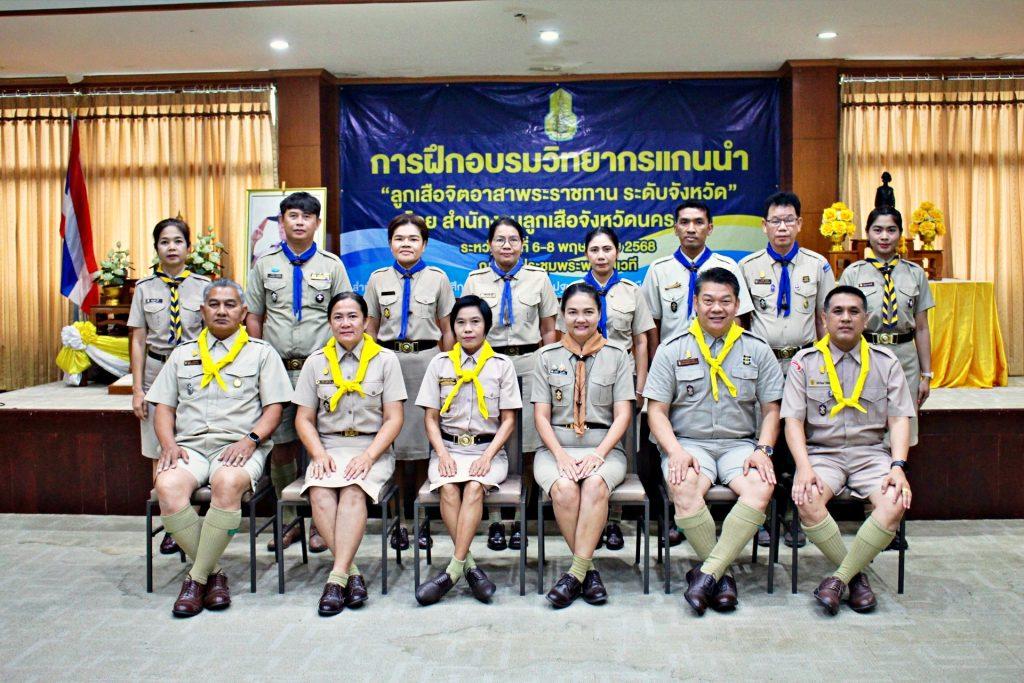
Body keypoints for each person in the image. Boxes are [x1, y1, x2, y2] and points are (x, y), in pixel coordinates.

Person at [148, 279, 292, 617]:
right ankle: (213, 575)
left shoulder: (261, 353)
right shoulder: (183, 354)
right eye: (214, 304)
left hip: (239, 446)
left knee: (227, 483)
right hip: (190, 447)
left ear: (243, 312)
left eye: (230, 305)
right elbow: (164, 407)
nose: (222, 311)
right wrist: (168, 444)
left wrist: (251, 440)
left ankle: (195, 579)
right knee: (166, 486)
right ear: (202, 311)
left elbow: (274, 408)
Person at [643, 268, 784, 615]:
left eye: (725, 301)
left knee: (762, 486)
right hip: (689, 444)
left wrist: (764, 450)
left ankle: (707, 574)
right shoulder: (672, 349)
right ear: (695, 303)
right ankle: (722, 577)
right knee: (683, 486)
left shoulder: (757, 349)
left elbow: (772, 409)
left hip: (741, 445)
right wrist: (675, 451)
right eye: (708, 300)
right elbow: (656, 411)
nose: (716, 308)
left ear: (737, 305)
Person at [782, 285, 915, 615]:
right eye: (837, 311)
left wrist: (898, 466)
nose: (845, 318)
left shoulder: (886, 362)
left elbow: (899, 419)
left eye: (854, 312)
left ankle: (840, 578)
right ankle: (856, 579)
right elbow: (793, 422)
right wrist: (803, 467)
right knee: (806, 500)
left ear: (866, 319)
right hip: (822, 454)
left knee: (895, 501)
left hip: (870, 454)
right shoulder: (805, 362)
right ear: (824, 318)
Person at [245, 191, 352, 553]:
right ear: (282, 221)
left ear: (317, 223)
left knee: (323, 443)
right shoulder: (264, 264)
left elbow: (345, 316)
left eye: (307, 217)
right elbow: (255, 316)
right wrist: (260, 361)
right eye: (293, 216)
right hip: (278, 370)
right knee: (282, 446)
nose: (300, 222)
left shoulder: (332, 265)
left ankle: (322, 525)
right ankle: (289, 520)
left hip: (321, 370)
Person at [293, 292, 406, 616]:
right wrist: (317, 454)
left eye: (352, 316)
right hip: (329, 447)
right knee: (320, 492)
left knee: (354, 490)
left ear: (366, 321)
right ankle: (349, 573)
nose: (345, 323)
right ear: (329, 322)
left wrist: (369, 456)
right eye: (338, 317)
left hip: (371, 448)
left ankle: (336, 579)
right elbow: (303, 418)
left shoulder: (385, 360)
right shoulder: (316, 362)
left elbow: (394, 418)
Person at [738, 191, 834, 547]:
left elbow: (824, 319)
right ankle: (762, 516)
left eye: (788, 220)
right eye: (775, 221)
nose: (782, 227)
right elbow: (743, 322)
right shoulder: (748, 267)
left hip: (804, 362)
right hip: (762, 363)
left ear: (800, 224)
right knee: (761, 438)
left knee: (800, 440)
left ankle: (796, 514)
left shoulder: (818, 265)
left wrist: (827, 364)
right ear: (764, 226)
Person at [413, 296, 522, 606]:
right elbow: (430, 418)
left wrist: (487, 457)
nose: (467, 329)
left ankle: (450, 572)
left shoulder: (502, 365)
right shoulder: (440, 364)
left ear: (486, 326)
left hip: (488, 451)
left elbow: (508, 421)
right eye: (460, 323)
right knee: (448, 488)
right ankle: (469, 567)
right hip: (448, 449)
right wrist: (442, 454)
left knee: (474, 487)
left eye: (475, 322)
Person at [533, 283, 633, 608]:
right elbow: (540, 417)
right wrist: (560, 456)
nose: (581, 319)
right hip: (555, 448)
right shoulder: (545, 357)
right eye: (573, 312)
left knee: (594, 486)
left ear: (599, 314)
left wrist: (599, 454)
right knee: (564, 489)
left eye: (588, 312)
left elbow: (623, 415)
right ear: (562, 316)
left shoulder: (617, 356)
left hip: (604, 448)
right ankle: (588, 573)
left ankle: (574, 574)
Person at [556, 226, 655, 551]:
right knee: (588, 439)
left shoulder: (631, 291)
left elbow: (641, 341)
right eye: (595, 250)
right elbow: (561, 338)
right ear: (586, 254)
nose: (601, 256)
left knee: (619, 448)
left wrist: (641, 383)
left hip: (622, 377)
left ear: (617, 252)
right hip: (583, 376)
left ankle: (613, 521)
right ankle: (589, 525)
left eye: (607, 249)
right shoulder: (574, 291)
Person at [463, 217, 558, 551]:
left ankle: (521, 520)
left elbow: (549, 329)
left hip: (530, 363)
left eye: (513, 239)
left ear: (522, 244)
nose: (507, 245)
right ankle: (495, 522)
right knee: (492, 441)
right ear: (489, 245)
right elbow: (466, 326)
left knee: (530, 443)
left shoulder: (538, 278)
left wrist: (547, 366)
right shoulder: (475, 280)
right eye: (500, 239)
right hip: (488, 366)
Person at [365, 214, 454, 553]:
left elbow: (447, 329)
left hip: (427, 363)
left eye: (413, 239)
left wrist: (447, 370)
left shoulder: (438, 279)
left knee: (423, 447)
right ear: (390, 243)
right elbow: (370, 328)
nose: (406, 244)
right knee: (394, 447)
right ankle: (398, 521)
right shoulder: (377, 279)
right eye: (399, 238)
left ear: (424, 244)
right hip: (389, 363)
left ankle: (422, 520)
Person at [129, 218, 211, 556]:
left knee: (193, 442)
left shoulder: (204, 286)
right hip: (156, 368)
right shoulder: (144, 288)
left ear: (189, 248)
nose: (172, 247)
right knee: (158, 448)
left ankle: (191, 520)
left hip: (193, 371)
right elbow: (138, 339)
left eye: (178, 241)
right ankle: (171, 525)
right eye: (164, 242)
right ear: (156, 248)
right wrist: (137, 389)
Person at [839, 206, 933, 446]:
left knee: (903, 427)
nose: (884, 236)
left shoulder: (915, 274)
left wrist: (926, 374)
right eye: (877, 230)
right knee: (865, 424)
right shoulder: (853, 274)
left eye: (891, 230)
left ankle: (899, 467)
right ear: (867, 233)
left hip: (905, 357)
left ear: (900, 233)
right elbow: (843, 324)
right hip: (866, 354)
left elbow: (922, 327)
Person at [641, 200, 754, 344]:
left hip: (719, 353)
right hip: (673, 354)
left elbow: (739, 316)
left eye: (699, 222)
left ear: (710, 228)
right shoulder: (658, 270)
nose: (691, 229)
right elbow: (652, 322)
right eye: (684, 222)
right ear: (675, 228)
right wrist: (657, 356)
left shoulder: (728, 267)